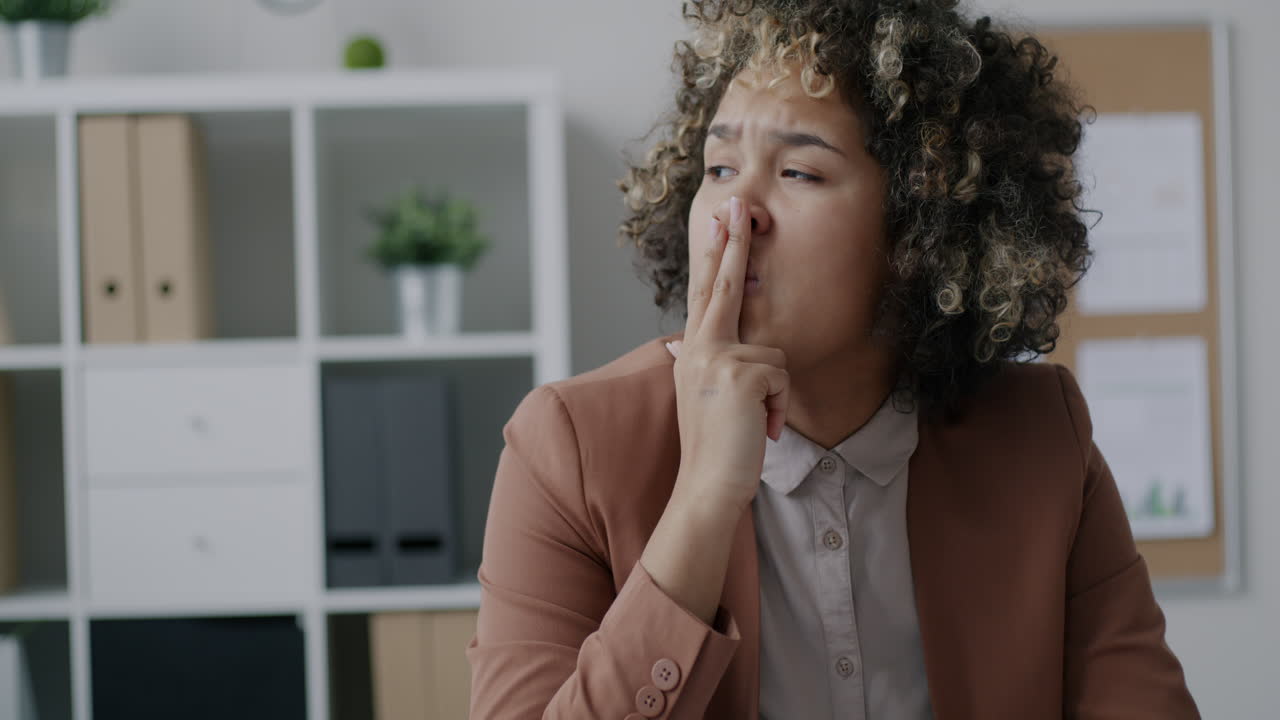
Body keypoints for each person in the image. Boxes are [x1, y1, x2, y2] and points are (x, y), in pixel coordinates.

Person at [466, 0, 1200, 717]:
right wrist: (700, 503)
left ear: (922, 228)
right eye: (718, 168)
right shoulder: (565, 447)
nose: (737, 212)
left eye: (799, 174)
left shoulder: (1043, 437)